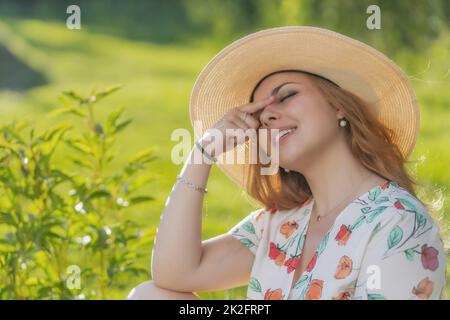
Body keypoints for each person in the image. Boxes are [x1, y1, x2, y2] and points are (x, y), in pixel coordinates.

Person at [127, 26, 446, 300]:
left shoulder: (396, 222)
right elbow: (174, 273)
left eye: (286, 95)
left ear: (339, 106)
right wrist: (202, 153)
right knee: (149, 296)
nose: (267, 114)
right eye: (259, 115)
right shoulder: (282, 224)